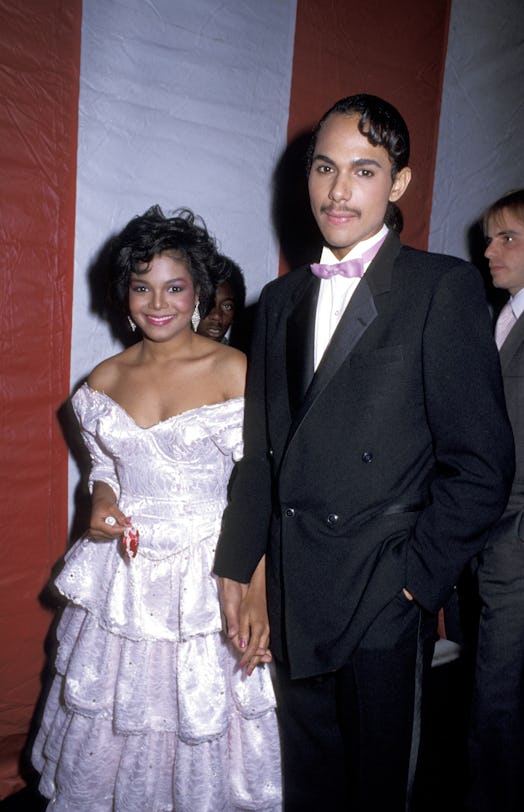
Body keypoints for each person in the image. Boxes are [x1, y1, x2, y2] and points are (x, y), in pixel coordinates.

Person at [213, 94, 514, 810]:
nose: (339, 191)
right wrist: (239, 565)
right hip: (293, 587)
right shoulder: (278, 299)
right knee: (308, 785)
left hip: (382, 590)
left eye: (365, 170)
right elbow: (261, 453)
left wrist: (414, 581)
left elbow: (482, 465)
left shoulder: (442, 288)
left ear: (399, 184)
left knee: (378, 790)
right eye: (324, 168)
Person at [31, 205, 281, 811]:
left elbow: (263, 486)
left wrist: (257, 591)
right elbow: (104, 467)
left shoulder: (235, 371)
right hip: (126, 575)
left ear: (198, 289)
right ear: (123, 295)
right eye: (142, 287)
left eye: (174, 286)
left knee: (202, 722)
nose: (158, 302)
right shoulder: (102, 380)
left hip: (211, 576)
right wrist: (101, 500)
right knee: (114, 722)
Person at [467, 189, 524, 812]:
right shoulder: (499, 317)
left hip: (517, 538)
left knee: (498, 703)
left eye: (507, 237)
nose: (489, 251)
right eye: (489, 237)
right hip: (491, 534)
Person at [197, 254, 246, 345]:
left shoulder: (239, 358)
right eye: (208, 303)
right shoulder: (165, 352)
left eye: (227, 306)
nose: (217, 316)